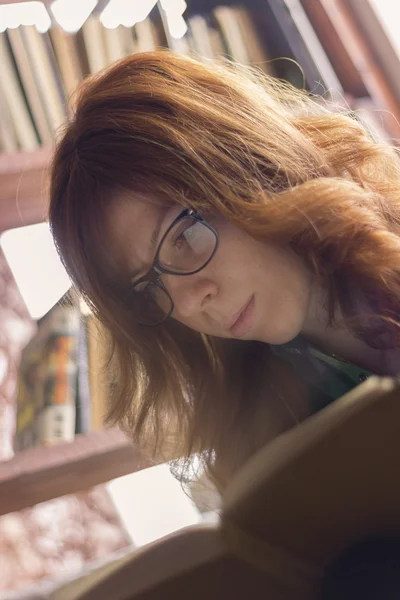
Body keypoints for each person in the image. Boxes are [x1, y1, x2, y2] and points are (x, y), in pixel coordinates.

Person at [49, 50, 400, 490]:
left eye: (184, 235)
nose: (191, 301)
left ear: (247, 162)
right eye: (147, 288)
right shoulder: (265, 435)